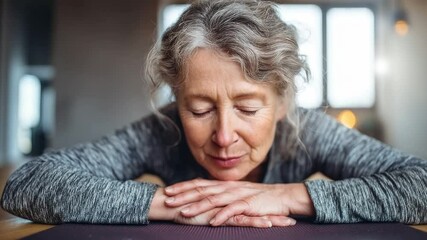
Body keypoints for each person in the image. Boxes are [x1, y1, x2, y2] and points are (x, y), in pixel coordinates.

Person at [2, 0, 427, 228]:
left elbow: (420, 185)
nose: (223, 136)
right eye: (200, 109)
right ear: (177, 100)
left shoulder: (306, 131)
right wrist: (169, 204)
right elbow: (26, 185)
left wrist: (286, 196)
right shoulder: (161, 130)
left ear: (281, 103)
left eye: (247, 107)